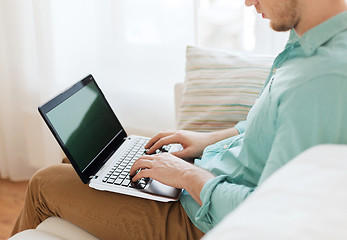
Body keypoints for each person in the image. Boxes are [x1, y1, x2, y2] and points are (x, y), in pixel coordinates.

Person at [12, 0, 347, 239]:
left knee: (44, 183)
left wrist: (188, 176)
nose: (247, 3)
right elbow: (269, 129)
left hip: (200, 219)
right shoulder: (308, 44)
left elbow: (272, 213)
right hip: (204, 181)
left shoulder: (322, 78)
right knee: (86, 165)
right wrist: (206, 140)